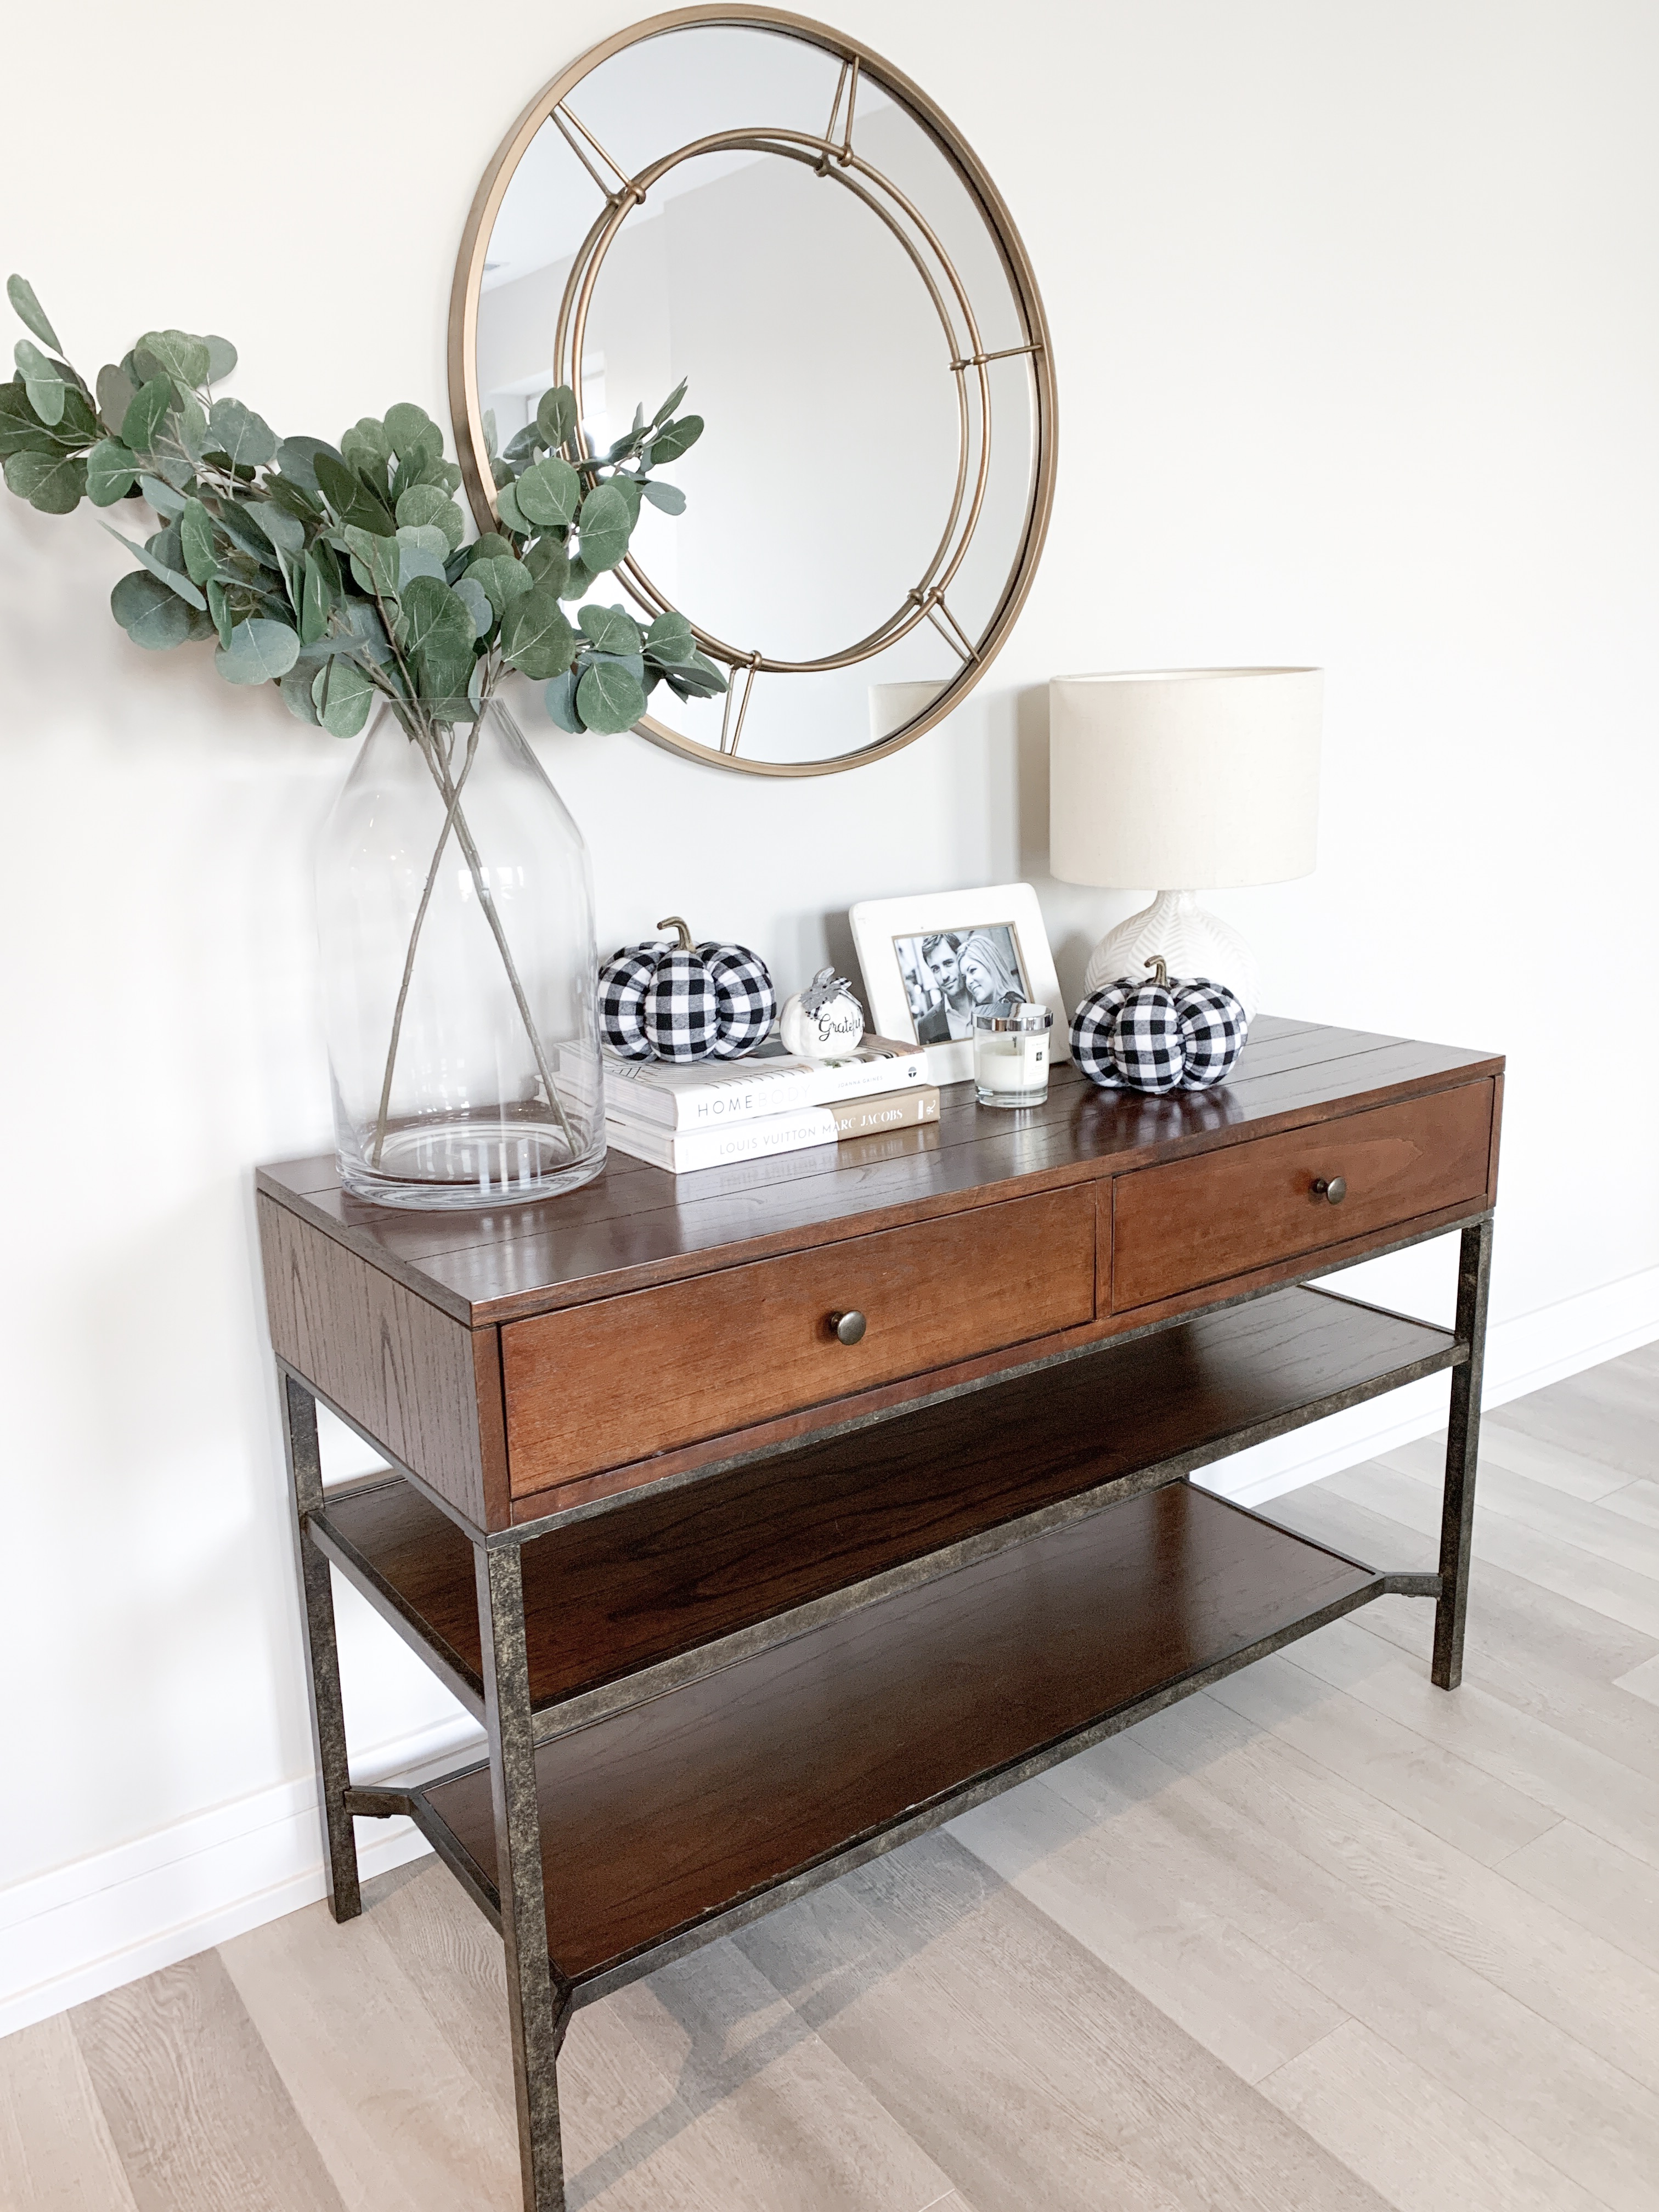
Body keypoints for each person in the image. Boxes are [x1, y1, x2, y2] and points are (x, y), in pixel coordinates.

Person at [916, 932, 974, 1041]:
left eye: (948, 963)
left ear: (961, 959)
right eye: (936, 969)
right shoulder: (926, 1025)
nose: (944, 976)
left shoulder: (991, 1003)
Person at [958, 929, 1025, 1020]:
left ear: (991, 965)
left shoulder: (1010, 1007)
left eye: (973, 970)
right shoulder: (997, 1009)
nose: (968, 982)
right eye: (964, 977)